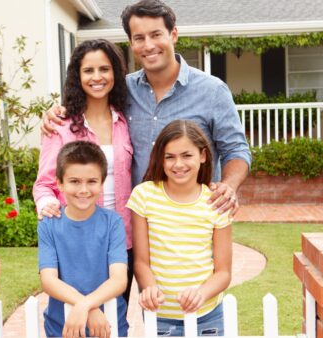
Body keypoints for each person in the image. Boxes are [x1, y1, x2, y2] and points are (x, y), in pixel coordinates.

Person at [42, 0, 251, 217]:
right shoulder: (123, 90)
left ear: (174, 34)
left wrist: (229, 185)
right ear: (131, 43)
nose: (148, 45)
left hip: (193, 220)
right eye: (139, 38)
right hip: (139, 221)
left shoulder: (212, 90)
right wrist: (57, 113)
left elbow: (236, 149)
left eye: (156, 34)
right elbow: (89, 104)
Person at [33, 39, 136, 302]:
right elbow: (44, 184)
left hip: (123, 237)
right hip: (78, 239)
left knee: (115, 316)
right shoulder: (61, 125)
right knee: (78, 314)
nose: (97, 77)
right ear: (77, 77)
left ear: (115, 72)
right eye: (88, 71)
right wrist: (47, 205)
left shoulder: (127, 120)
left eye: (104, 69)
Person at [127, 120, 232, 336]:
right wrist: (149, 288)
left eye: (187, 155)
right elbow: (141, 262)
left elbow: (223, 272)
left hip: (207, 316)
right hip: (161, 317)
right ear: (161, 159)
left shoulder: (216, 202)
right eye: (170, 157)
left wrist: (201, 294)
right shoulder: (144, 196)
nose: (178, 164)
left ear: (202, 155)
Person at [38, 141, 129, 338]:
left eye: (92, 181)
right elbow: (48, 280)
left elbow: (119, 279)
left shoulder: (113, 222)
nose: (83, 189)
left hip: (109, 325)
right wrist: (87, 307)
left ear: (102, 183)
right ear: (60, 183)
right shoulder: (49, 225)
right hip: (62, 326)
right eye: (75, 181)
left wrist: (85, 305)